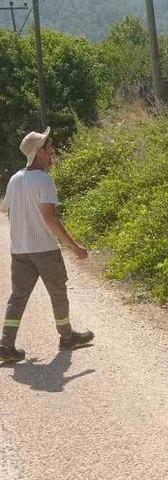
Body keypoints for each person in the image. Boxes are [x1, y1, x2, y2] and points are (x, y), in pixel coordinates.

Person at [0, 128, 94, 363]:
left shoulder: (14, 180)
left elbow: (10, 212)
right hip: (45, 250)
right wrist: (75, 246)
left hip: (20, 251)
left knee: (18, 297)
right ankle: (67, 337)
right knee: (58, 292)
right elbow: (50, 218)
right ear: (39, 152)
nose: (52, 151)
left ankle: (5, 345)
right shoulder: (44, 180)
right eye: (48, 147)